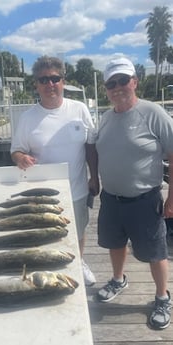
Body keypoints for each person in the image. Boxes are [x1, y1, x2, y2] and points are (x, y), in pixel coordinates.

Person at [95, 57, 173, 330]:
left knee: (155, 252)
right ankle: (118, 279)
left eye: (123, 80)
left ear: (135, 81)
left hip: (144, 200)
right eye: (111, 83)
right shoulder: (104, 118)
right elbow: (93, 148)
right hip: (111, 199)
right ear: (106, 88)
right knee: (115, 245)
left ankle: (162, 296)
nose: (117, 87)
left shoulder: (153, 113)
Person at [10, 55, 100, 286]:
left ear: (63, 81)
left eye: (54, 78)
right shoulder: (28, 118)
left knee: (78, 231)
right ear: (36, 84)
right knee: (45, 235)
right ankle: (50, 270)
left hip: (78, 189)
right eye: (43, 80)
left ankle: (79, 263)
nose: (50, 84)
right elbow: (16, 151)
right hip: (42, 195)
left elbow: (90, 147)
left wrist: (94, 177)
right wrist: (21, 158)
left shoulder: (79, 109)